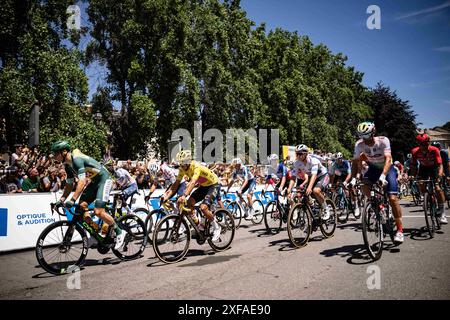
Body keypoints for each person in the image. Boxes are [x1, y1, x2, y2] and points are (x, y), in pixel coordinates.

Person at [51, 141, 126, 249]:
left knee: (98, 211)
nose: (54, 156)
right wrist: (62, 199)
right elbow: (69, 184)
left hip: (104, 180)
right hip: (94, 182)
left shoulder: (76, 159)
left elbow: (82, 182)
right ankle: (97, 233)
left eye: (55, 153)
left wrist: (72, 200)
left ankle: (119, 232)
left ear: (64, 152)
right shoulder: (68, 166)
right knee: (82, 207)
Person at [350, 121, 405, 243]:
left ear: (373, 132)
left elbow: (388, 159)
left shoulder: (383, 140)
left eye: (366, 135)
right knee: (364, 185)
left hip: (387, 168)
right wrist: (353, 178)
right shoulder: (359, 145)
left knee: (392, 198)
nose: (363, 139)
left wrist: (383, 176)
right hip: (373, 168)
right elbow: (355, 162)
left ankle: (400, 230)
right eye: (361, 136)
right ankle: (376, 206)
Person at [161, 150, 222, 241]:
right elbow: (176, 184)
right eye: (180, 162)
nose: (181, 165)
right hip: (204, 186)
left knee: (203, 207)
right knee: (189, 203)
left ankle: (217, 228)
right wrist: (166, 196)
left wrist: (184, 195)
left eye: (183, 162)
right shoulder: (182, 169)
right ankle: (200, 225)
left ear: (188, 161)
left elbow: (193, 182)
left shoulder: (196, 166)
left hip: (214, 184)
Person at [410, 134, 447, 224]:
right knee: (421, 183)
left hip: (434, 167)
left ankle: (442, 213)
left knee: (438, 188)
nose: (424, 146)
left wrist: (440, 174)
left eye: (425, 144)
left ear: (428, 143)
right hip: (423, 168)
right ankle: (426, 197)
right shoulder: (415, 151)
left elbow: (440, 164)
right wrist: (412, 175)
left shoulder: (435, 150)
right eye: (421, 144)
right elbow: (414, 165)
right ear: (418, 144)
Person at [290, 144, 331, 220]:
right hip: (312, 177)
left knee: (315, 190)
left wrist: (309, 187)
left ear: (305, 154)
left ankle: (326, 208)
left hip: (322, 176)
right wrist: (289, 189)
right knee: (304, 193)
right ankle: (313, 209)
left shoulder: (313, 160)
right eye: (297, 154)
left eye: (300, 154)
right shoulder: (297, 163)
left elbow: (314, 175)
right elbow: (293, 177)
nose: (298, 156)